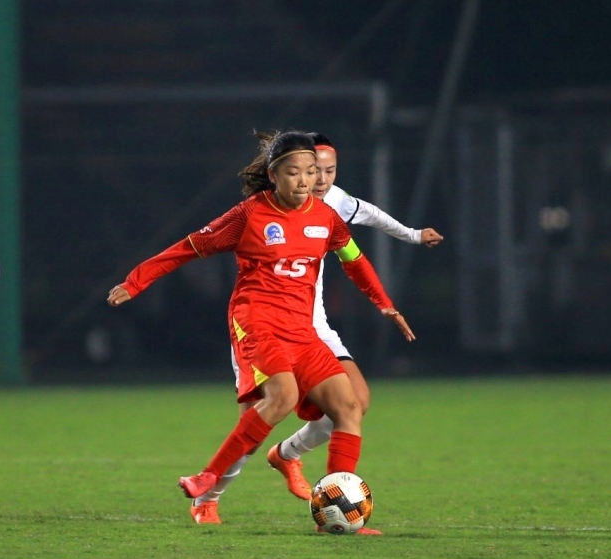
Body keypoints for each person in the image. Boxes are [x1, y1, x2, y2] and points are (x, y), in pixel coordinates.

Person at [107, 130, 414, 535]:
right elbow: (188, 247)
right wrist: (136, 282)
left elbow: (354, 261)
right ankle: (207, 485)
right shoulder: (249, 215)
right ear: (273, 175)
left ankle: (335, 513)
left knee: (349, 405)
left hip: (302, 329)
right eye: (294, 173)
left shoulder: (325, 217)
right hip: (256, 322)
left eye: (312, 172)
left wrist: (384, 301)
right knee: (279, 399)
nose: (305, 181)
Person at [191, 133, 443, 522]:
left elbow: (367, 225)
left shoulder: (335, 204)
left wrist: (410, 237)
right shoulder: (264, 209)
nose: (320, 179)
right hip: (264, 324)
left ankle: (291, 459)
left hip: (314, 326)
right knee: (257, 417)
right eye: (312, 170)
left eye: (328, 171)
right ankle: (209, 496)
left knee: (353, 403)